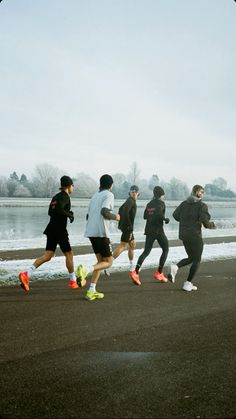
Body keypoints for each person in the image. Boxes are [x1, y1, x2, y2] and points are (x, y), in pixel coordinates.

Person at [18, 175, 83, 291]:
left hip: (51, 228)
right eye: (73, 185)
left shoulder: (56, 196)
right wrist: (69, 215)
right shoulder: (65, 196)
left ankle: (26, 274)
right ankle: (73, 281)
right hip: (60, 230)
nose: (73, 188)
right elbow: (58, 209)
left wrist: (67, 212)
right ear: (69, 186)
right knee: (69, 254)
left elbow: (51, 211)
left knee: (48, 255)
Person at [168, 184, 216, 292]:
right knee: (197, 259)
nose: (203, 194)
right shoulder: (202, 205)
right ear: (197, 193)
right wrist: (212, 225)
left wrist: (186, 222)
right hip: (195, 235)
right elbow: (205, 221)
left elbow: (175, 215)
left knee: (191, 257)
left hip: (184, 235)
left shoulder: (184, 203)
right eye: (202, 192)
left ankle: (175, 267)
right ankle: (187, 283)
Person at [84, 174, 120, 301]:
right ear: (111, 185)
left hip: (90, 232)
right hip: (101, 232)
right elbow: (104, 212)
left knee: (100, 262)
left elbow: (88, 216)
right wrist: (116, 217)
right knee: (109, 262)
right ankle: (86, 269)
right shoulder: (109, 195)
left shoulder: (95, 196)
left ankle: (91, 291)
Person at [130, 186, 169, 286]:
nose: (163, 197)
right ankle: (159, 272)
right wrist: (165, 219)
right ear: (161, 195)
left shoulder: (149, 204)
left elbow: (145, 216)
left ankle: (136, 272)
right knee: (165, 249)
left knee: (146, 252)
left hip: (149, 230)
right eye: (163, 195)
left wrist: (152, 214)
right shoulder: (161, 203)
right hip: (158, 230)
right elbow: (159, 214)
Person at [111, 184, 140, 272]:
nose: (134, 193)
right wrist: (128, 225)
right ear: (129, 193)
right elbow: (125, 212)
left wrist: (121, 223)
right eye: (132, 192)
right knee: (123, 246)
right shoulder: (131, 201)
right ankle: (108, 263)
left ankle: (131, 265)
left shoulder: (129, 200)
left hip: (127, 226)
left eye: (135, 192)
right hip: (128, 227)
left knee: (132, 244)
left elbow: (120, 209)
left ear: (138, 193)